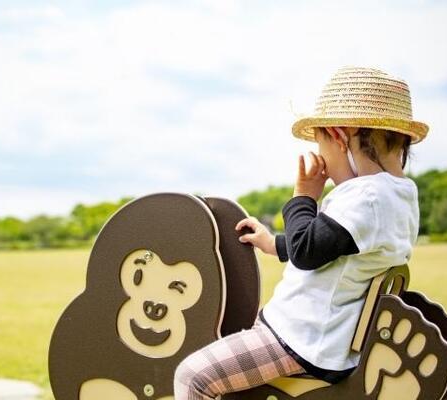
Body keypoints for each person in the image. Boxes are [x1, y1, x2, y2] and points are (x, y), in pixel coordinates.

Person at [174, 66, 426, 399]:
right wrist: (274, 244)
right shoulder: (398, 195)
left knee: (192, 377)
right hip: (323, 339)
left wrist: (303, 197)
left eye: (322, 147)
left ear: (339, 137)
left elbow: (308, 251)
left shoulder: (367, 198)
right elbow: (333, 247)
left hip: (300, 341)